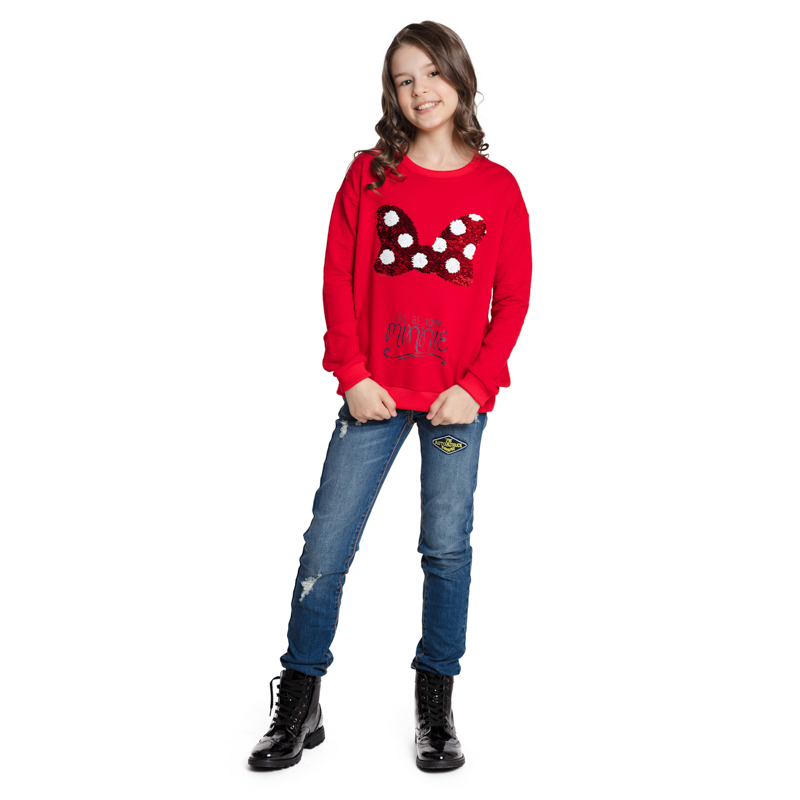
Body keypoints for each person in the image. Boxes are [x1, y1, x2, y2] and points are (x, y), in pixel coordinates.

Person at [248, 20, 532, 772]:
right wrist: (351, 373)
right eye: (405, 79)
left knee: (446, 547)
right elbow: (337, 276)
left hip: (454, 405)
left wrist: (475, 386)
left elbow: (512, 298)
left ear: (460, 77)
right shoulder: (368, 175)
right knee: (327, 542)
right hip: (372, 396)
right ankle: (300, 697)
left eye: (432, 72)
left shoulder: (499, 189)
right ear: (391, 94)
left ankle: (436, 703)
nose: (421, 90)